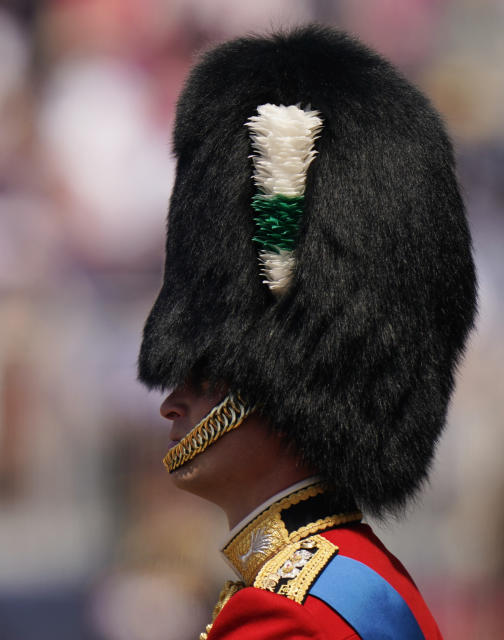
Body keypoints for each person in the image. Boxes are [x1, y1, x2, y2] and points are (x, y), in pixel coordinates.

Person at [138, 25, 477, 639]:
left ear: (277, 376)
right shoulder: (355, 581)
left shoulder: (287, 616)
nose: (171, 399)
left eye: (206, 371)